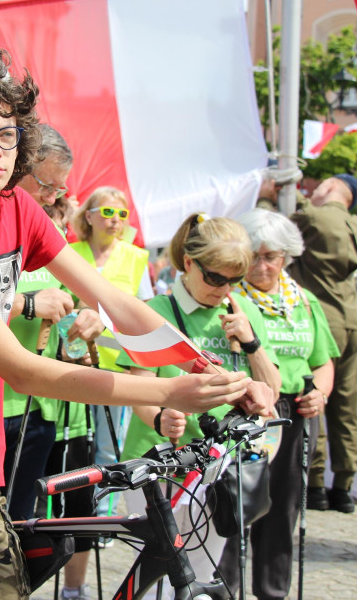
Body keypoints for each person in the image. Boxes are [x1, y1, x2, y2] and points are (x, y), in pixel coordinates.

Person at [0, 51, 268, 599]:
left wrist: (212, 375)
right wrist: (169, 390)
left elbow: (111, 301)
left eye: (6, 135)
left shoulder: (18, 210)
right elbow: (22, 369)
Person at [119, 214, 281, 594]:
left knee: (202, 578)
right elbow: (134, 386)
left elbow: (272, 392)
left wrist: (253, 343)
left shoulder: (242, 310)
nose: (223, 290)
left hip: (219, 467)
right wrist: (160, 416)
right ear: (189, 263)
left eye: (233, 281)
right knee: (157, 577)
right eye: (215, 278)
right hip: (158, 464)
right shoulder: (154, 311)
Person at [2, 125, 103, 600]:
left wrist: (90, 316)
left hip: (39, 409)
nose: (53, 196)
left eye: (60, 188)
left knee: (20, 529)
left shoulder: (44, 229)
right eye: (46, 185)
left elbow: (91, 298)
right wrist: (27, 303)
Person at [216, 208, 338, 599]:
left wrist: (321, 392)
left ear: (286, 256)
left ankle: (273, 591)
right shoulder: (232, 299)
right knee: (240, 503)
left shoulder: (303, 300)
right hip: (253, 408)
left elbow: (323, 360)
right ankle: (226, 590)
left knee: (284, 508)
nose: (262, 265)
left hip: (297, 412)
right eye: (255, 255)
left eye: (272, 256)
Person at [70, 187, 152, 523]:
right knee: (75, 444)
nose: (115, 220)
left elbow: (146, 312)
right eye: (107, 212)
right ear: (88, 216)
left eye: (121, 215)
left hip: (116, 369)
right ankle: (70, 512)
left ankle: (103, 518)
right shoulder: (69, 252)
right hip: (73, 364)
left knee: (107, 446)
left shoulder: (135, 258)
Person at [287, 173, 357, 513]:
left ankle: (316, 483)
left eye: (319, 187)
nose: (313, 192)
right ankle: (344, 486)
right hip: (351, 321)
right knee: (346, 408)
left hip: (322, 320)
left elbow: (279, 230)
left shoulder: (315, 217)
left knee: (315, 396)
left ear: (333, 187)